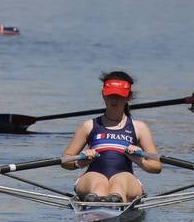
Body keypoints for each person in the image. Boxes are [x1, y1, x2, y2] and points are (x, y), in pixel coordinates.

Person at [62, 71, 161, 203]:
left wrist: (139, 160)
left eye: (119, 96)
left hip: (126, 179)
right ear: (103, 94)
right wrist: (79, 162)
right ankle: (100, 202)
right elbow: (65, 161)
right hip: (91, 177)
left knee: (119, 181)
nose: (114, 100)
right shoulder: (88, 126)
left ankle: (113, 200)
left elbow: (156, 166)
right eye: (110, 96)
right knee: (98, 181)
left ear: (128, 97)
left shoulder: (139, 128)